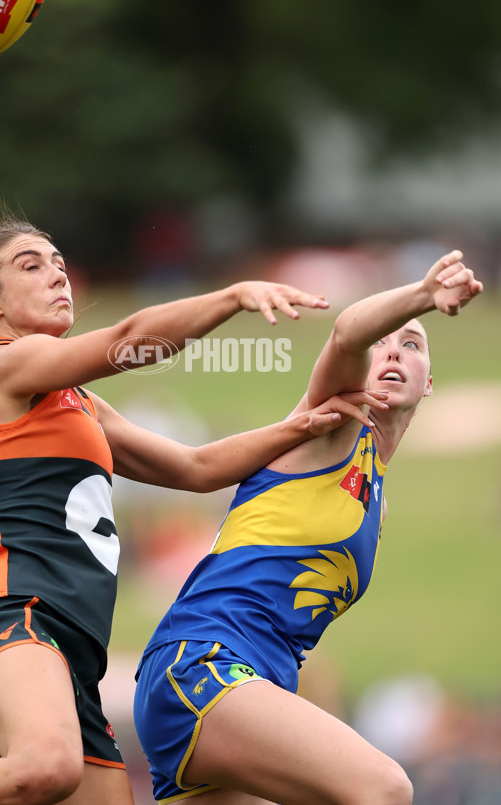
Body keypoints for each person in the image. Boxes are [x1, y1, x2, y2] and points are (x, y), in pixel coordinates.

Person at [0, 217, 384, 805]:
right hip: (11, 619)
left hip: (72, 650)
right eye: (31, 266)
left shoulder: (75, 402)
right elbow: (128, 340)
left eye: (58, 262)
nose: (57, 274)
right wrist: (231, 297)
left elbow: (196, 468)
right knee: (48, 767)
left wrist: (296, 427)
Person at [132, 249, 483, 805]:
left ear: (430, 382)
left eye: (411, 344)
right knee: (385, 789)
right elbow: (347, 334)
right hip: (203, 666)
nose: (393, 350)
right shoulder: (334, 426)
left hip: (246, 690)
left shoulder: (377, 499)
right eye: (385, 342)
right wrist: (422, 296)